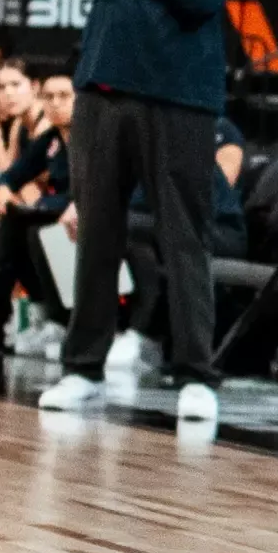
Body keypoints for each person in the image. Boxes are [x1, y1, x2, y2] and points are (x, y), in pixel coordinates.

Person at [42, 0, 240, 425]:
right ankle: (81, 369)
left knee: (185, 237)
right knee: (98, 232)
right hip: (103, 92)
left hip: (182, 97)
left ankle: (196, 376)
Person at [104, 115, 249, 374]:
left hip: (221, 233)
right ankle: (106, 328)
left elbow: (149, 202)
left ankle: (144, 335)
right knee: (114, 226)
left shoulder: (182, 142)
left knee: (129, 225)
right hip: (176, 227)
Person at [0, 73, 76, 345]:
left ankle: (50, 317)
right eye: (50, 97)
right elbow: (12, 174)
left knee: (24, 227)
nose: (55, 103)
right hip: (53, 210)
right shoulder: (51, 138)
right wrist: (3, 189)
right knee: (1, 220)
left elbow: (90, 189)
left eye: (64, 96)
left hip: (84, 211)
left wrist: (39, 205)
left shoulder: (90, 137)